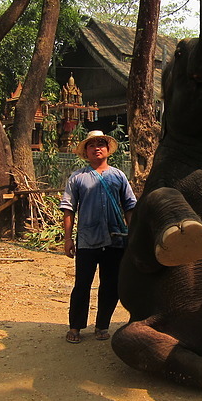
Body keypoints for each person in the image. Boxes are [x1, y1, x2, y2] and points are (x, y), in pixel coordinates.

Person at [60, 130, 136, 344]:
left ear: (107, 149)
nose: (97, 148)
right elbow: (68, 209)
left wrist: (133, 235)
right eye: (92, 145)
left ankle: (102, 325)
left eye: (101, 143)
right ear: (86, 151)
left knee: (110, 285)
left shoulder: (118, 176)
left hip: (115, 240)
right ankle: (75, 327)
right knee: (82, 285)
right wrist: (68, 239)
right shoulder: (77, 177)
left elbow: (130, 206)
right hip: (87, 241)